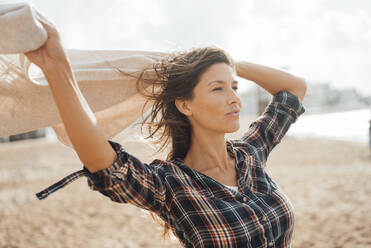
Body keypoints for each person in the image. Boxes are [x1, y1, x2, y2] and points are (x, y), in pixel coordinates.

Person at [26, 17, 307, 248]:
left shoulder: (251, 155)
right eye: (218, 88)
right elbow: (105, 166)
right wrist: (57, 67)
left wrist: (228, 62)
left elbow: (294, 89)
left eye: (233, 87)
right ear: (185, 105)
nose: (234, 99)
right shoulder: (171, 184)